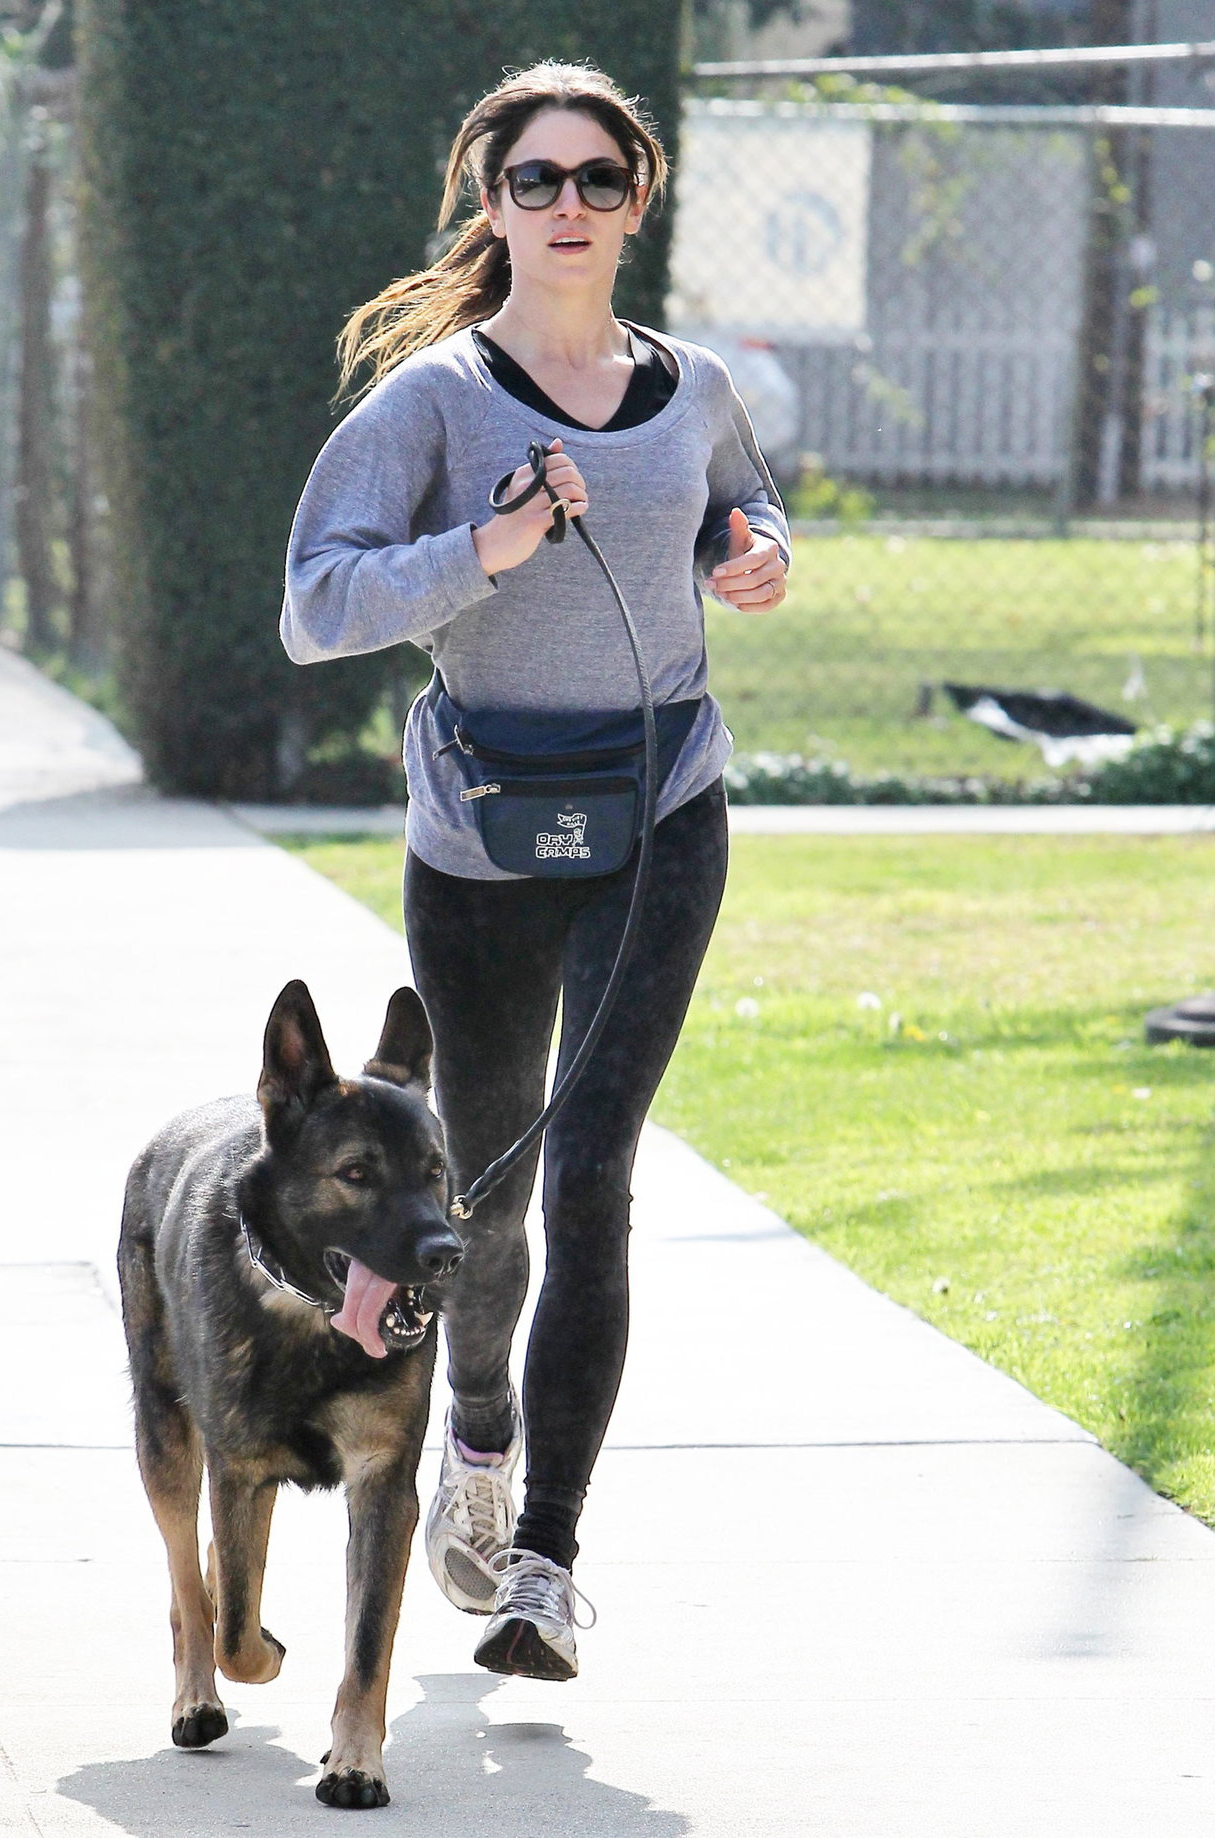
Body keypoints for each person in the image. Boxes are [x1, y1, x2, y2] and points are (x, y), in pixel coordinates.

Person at [281, 60, 789, 1682]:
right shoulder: (432, 403)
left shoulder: (693, 384)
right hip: (486, 837)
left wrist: (756, 549)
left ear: (639, 198)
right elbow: (315, 607)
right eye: (533, 180)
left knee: (596, 1178)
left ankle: (546, 1564)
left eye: (595, 179)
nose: (565, 206)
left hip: (660, 816)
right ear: (488, 205)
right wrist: (480, 552)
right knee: (484, 1200)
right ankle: (479, 1445)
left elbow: (740, 502)